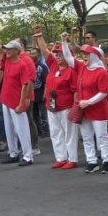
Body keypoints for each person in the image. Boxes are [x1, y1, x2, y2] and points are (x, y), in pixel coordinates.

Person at [32, 29, 78, 170]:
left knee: (69, 134)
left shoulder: (71, 70)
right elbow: (44, 50)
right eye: (56, 54)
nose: (57, 56)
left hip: (66, 106)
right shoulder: (53, 65)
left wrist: (75, 108)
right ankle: (61, 158)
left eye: (60, 54)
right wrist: (39, 36)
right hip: (52, 106)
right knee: (56, 133)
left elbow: (75, 91)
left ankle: (72, 159)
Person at [65, 39, 108, 174]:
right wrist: (64, 42)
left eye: (87, 54)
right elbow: (68, 58)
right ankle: (91, 161)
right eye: (83, 54)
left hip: (98, 110)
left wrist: (89, 102)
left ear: (94, 56)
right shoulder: (82, 68)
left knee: (101, 136)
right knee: (86, 137)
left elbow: (103, 92)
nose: (84, 56)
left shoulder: (101, 71)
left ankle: (107, 161)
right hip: (84, 109)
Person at [0, 35, 36, 166]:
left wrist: (22, 102)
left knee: (22, 129)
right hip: (5, 99)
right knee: (9, 129)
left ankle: (28, 156)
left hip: (16, 101)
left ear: (17, 50)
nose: (6, 51)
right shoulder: (6, 61)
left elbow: (26, 85)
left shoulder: (22, 65)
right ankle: (13, 153)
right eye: (6, 49)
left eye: (9, 49)